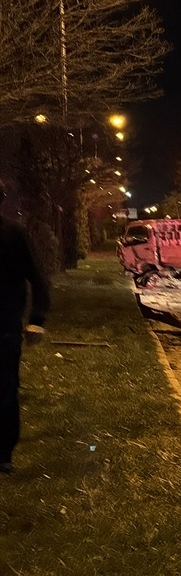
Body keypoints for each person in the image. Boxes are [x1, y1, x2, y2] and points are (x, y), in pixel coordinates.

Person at [0, 178, 51, 475]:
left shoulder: (12, 234)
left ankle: (3, 453)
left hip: (4, 325)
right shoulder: (14, 233)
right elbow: (37, 278)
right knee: (5, 389)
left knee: (5, 389)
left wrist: (36, 320)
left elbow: (35, 277)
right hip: (5, 324)